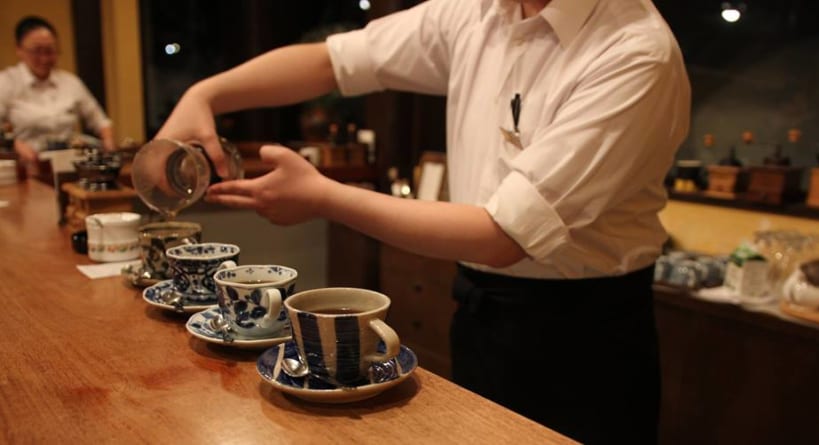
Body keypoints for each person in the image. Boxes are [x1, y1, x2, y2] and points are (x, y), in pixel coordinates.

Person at [156, 0, 690, 443]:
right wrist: (204, 93)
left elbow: (501, 236)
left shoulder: (634, 52)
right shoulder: (481, 11)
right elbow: (334, 62)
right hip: (482, 308)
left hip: (586, 337)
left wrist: (323, 196)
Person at [0, 15, 115, 174]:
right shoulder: (6, 82)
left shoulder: (70, 82)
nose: (44, 58)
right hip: (28, 167)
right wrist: (17, 145)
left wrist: (108, 144)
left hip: (70, 164)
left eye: (50, 51)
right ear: (19, 49)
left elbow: (100, 120)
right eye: (36, 51)